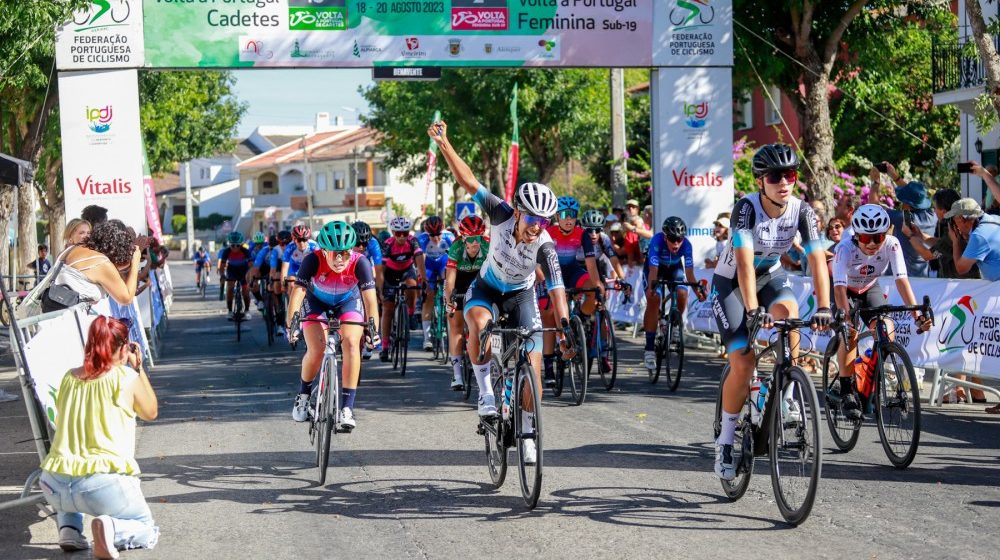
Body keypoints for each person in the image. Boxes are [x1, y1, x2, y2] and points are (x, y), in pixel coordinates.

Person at [430, 120, 574, 466]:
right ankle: (486, 394)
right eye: (532, 218)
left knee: (534, 377)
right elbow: (469, 181)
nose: (537, 225)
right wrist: (444, 143)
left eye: (544, 220)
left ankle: (526, 429)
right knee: (478, 327)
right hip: (487, 289)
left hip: (522, 297)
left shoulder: (545, 245)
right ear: (519, 212)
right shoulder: (500, 214)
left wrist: (566, 324)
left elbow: (556, 287)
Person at [712, 144, 832, 481]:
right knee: (745, 362)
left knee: (790, 310)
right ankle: (725, 441)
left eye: (791, 174)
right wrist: (752, 310)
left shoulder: (803, 212)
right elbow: (745, 266)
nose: (784, 182)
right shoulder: (746, 210)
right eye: (776, 176)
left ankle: (789, 390)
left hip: (772, 275)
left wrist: (824, 307)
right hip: (732, 282)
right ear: (760, 181)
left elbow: (818, 261)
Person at [39, 316, 159, 558]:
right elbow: (150, 412)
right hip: (100, 485)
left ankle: (69, 529)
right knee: (145, 526)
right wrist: (138, 368)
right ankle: (111, 530)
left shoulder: (69, 377)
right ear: (124, 348)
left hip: (54, 484)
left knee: (72, 468)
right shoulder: (126, 378)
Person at [832, 205, 932, 419]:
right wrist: (846, 317)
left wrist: (917, 316)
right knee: (849, 334)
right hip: (846, 291)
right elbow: (839, 288)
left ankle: (871, 375)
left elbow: (901, 281)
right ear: (856, 235)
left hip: (870, 288)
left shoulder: (892, 244)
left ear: (885, 234)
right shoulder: (844, 249)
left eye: (877, 238)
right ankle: (847, 389)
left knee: (886, 328)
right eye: (865, 238)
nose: (871, 244)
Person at [286, 222, 380, 430]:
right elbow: (298, 293)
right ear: (324, 250)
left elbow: (371, 300)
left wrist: (373, 330)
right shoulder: (312, 260)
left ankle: (346, 408)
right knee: (317, 349)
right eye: (334, 254)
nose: (339, 259)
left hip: (348, 301)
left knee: (352, 344)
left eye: (345, 254)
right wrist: (291, 323)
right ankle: (303, 396)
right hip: (316, 302)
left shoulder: (360, 262)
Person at [540, 196, 603, 386]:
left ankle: (582, 317)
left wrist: (597, 284)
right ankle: (549, 365)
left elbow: (591, 264)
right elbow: (538, 262)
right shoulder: (547, 232)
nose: (569, 219)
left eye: (573, 215)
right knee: (550, 315)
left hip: (573, 270)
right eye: (565, 215)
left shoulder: (582, 234)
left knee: (592, 288)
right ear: (557, 216)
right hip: (551, 273)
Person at [642, 216, 706, 372]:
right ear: (665, 237)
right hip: (655, 270)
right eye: (672, 239)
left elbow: (689, 275)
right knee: (654, 299)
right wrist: (651, 289)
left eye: (679, 239)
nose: (676, 243)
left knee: (682, 291)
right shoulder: (657, 241)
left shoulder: (687, 245)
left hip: (674, 269)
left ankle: (675, 325)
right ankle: (649, 349)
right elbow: (653, 271)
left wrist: (698, 291)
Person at [45, 220, 142, 313]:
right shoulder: (100, 262)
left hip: (49, 315)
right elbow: (126, 298)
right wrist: (135, 261)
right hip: (70, 322)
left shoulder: (71, 250)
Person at [444, 215, 489, 390]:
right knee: (455, 324)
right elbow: (450, 280)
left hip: (479, 278)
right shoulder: (456, 247)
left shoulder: (488, 244)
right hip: (459, 280)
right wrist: (450, 301)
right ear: (463, 238)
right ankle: (457, 375)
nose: (475, 243)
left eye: (478, 238)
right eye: (470, 239)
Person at [873, 163, 937, 277]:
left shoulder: (903, 218)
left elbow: (873, 208)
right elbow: (916, 195)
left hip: (901, 279)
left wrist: (875, 182)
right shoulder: (932, 215)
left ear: (907, 204)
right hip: (922, 277)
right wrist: (895, 177)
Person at [379, 216, 424, 361]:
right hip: (390, 274)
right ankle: (385, 347)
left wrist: (423, 278)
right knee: (388, 309)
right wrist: (379, 289)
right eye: (398, 233)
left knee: (412, 286)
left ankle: (410, 313)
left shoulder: (412, 241)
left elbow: (419, 261)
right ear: (393, 232)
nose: (402, 236)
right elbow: (381, 270)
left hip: (406, 270)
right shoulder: (387, 244)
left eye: (405, 232)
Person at [416, 215, 455, 351]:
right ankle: (427, 338)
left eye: (438, 234)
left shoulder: (449, 237)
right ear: (427, 233)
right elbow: (420, 260)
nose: (436, 238)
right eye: (432, 235)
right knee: (428, 298)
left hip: (444, 263)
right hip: (428, 266)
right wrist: (423, 279)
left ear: (442, 229)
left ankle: (447, 321)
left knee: (449, 289)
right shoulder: (421, 239)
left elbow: (455, 258)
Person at [217, 231, 252, 319]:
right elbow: (222, 266)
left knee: (245, 291)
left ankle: (247, 310)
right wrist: (222, 275)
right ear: (229, 245)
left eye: (238, 245)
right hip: (232, 270)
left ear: (241, 244)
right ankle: (229, 311)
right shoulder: (226, 252)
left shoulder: (246, 251)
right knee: (229, 288)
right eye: (232, 245)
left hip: (244, 270)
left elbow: (251, 266)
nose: (235, 248)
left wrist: (250, 276)